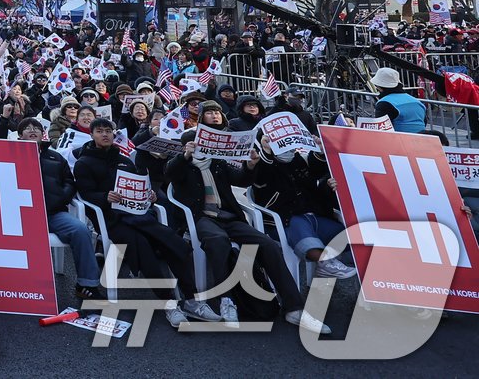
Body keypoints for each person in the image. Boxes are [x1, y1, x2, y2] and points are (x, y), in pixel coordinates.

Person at [164, 120, 330, 333]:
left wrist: (250, 165)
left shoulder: (217, 162)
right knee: (218, 242)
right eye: (194, 143)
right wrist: (184, 156)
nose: (199, 147)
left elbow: (240, 180)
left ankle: (294, 307)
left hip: (229, 216)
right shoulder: (181, 165)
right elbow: (170, 173)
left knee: (267, 244)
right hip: (201, 219)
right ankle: (227, 300)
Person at [74, 117, 219, 328]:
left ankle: (191, 300)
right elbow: (85, 196)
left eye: (108, 130)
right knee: (142, 249)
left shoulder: (125, 159)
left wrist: (148, 195)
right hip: (112, 220)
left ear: (114, 134)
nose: (105, 134)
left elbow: (138, 184)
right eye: (100, 131)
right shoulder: (83, 162)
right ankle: (169, 303)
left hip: (139, 215)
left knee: (173, 243)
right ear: (92, 134)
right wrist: (105, 197)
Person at [19, 117, 104, 299]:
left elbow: (69, 182)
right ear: (20, 135)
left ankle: (86, 284)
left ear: (43, 134)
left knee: (80, 230)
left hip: (52, 214)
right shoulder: (9, 156)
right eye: (27, 128)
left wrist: (59, 198)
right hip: (18, 216)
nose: (32, 130)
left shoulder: (55, 157)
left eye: (36, 127)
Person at [251, 133, 358, 280]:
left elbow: (316, 177)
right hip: (283, 222)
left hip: (314, 216)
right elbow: (260, 176)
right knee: (301, 228)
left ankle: (365, 275)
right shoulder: (263, 165)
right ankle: (325, 262)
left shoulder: (297, 160)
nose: (287, 149)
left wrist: (320, 153)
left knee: (349, 237)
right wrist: (266, 151)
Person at [371, 67, 426, 132]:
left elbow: (382, 129)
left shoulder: (384, 103)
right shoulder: (417, 102)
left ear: (379, 86)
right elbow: (424, 122)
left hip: (399, 139)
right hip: (422, 139)